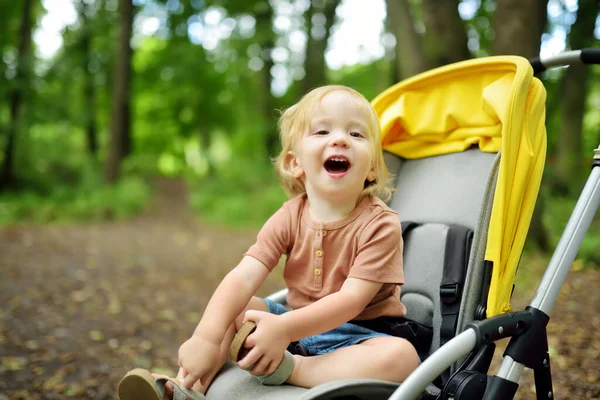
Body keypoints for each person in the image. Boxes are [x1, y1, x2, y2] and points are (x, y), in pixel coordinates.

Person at [118, 85, 420, 399]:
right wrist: (206, 336)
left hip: (361, 335)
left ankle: (293, 369)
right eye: (322, 131)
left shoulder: (380, 223)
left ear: (372, 166)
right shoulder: (290, 215)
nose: (340, 139)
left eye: (356, 135)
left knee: (402, 358)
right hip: (291, 327)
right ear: (295, 162)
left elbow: (351, 300)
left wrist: (285, 330)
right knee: (238, 308)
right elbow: (244, 275)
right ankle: (187, 386)